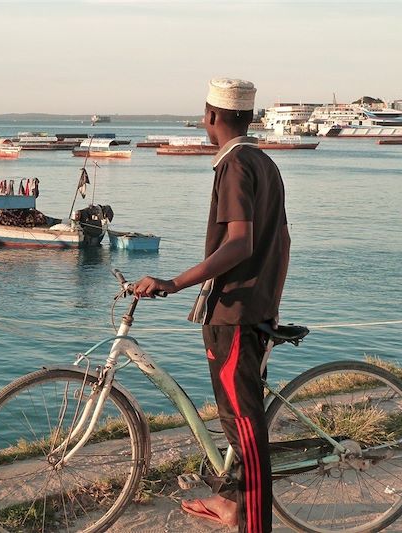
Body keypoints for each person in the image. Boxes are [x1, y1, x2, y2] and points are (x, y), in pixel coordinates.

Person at [134, 78, 290, 533]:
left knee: (245, 427)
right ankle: (230, 503)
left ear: (211, 117)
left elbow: (240, 244)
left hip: (236, 312)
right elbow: (281, 238)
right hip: (249, 307)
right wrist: (272, 300)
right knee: (233, 418)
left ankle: (255, 524)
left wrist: (175, 281)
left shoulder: (235, 166)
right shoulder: (263, 161)